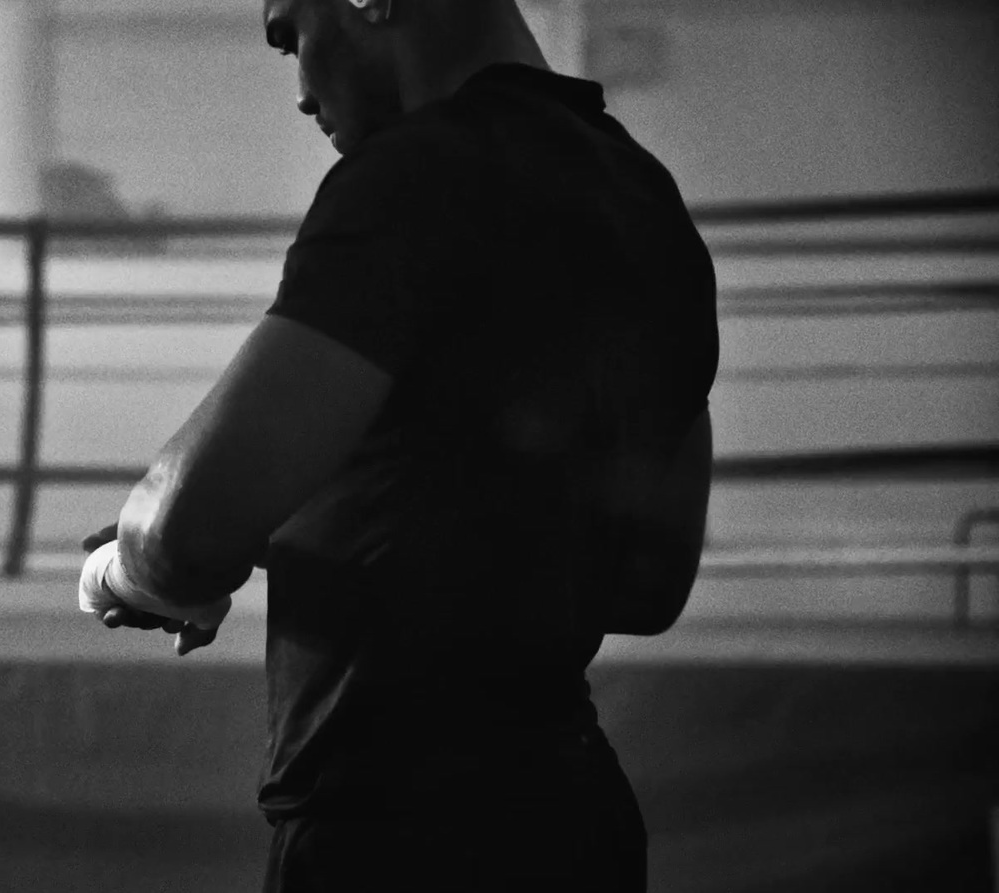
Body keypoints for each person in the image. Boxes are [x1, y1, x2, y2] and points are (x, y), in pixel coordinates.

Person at [78, 0, 719, 888]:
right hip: (577, 821)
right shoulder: (650, 203)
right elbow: (649, 581)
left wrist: (131, 572)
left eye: (291, 31)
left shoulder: (416, 174)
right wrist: (291, 533)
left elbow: (179, 531)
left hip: (391, 834)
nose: (301, 90)